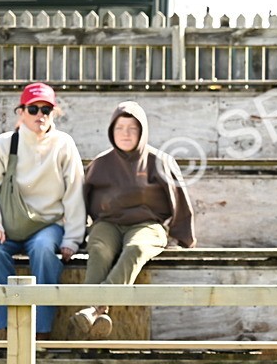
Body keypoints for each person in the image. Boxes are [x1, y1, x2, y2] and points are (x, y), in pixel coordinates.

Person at [0, 82, 86, 339]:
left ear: (53, 113)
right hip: (8, 226)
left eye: (46, 109)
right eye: (33, 109)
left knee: (46, 251)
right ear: (20, 112)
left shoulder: (64, 144)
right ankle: (7, 329)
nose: (40, 115)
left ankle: (41, 332)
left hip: (47, 225)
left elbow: (75, 193)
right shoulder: (5, 144)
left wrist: (72, 239)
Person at [72, 101, 196, 338]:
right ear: (111, 131)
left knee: (136, 248)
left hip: (147, 224)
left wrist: (183, 237)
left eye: (132, 128)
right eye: (120, 128)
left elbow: (179, 199)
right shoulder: (100, 163)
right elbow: (80, 202)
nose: (125, 134)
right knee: (98, 249)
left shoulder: (159, 161)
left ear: (142, 131)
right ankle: (98, 311)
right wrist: (73, 236)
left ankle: (94, 307)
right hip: (107, 224)